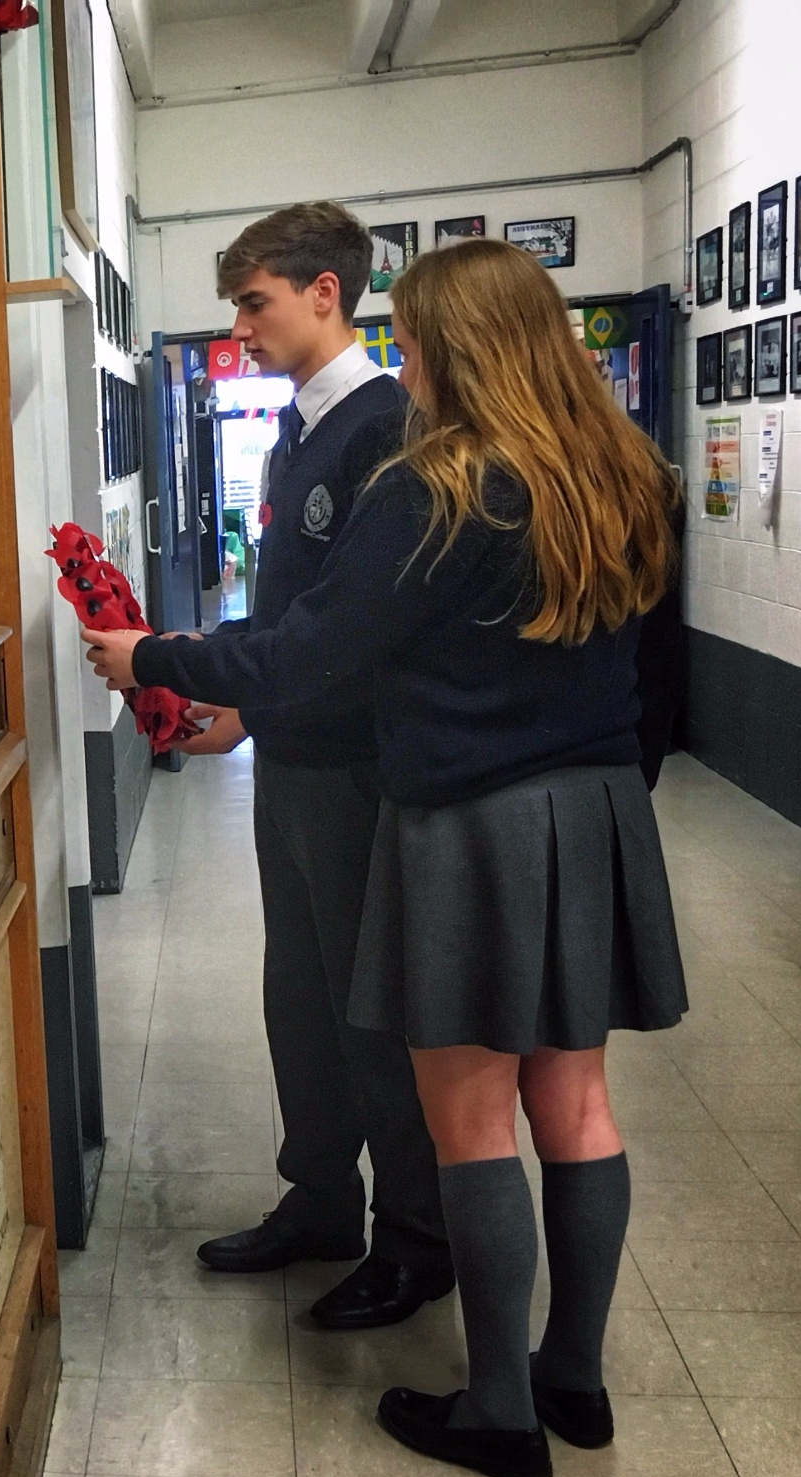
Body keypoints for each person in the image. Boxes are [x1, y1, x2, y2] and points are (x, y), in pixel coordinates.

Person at [83, 238, 688, 1477]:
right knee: (575, 1107)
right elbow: (662, 680)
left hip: (467, 821)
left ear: (462, 351)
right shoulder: (624, 472)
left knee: (467, 1119)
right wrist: (602, 796)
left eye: (410, 347)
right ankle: (571, 1378)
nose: (401, 370)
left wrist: (153, 657)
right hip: (593, 809)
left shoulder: (438, 486)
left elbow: (308, 648)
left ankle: (500, 1412)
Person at [179, 202, 453, 1334]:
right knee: (297, 997)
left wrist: (178, 659)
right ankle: (322, 1198)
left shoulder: (385, 431)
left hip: (356, 775)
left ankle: (416, 1239)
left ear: (324, 293)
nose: (239, 329)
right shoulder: (298, 432)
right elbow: (296, 614)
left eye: (254, 303)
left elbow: (353, 635)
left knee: (367, 1012)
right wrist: (246, 712)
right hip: (290, 762)